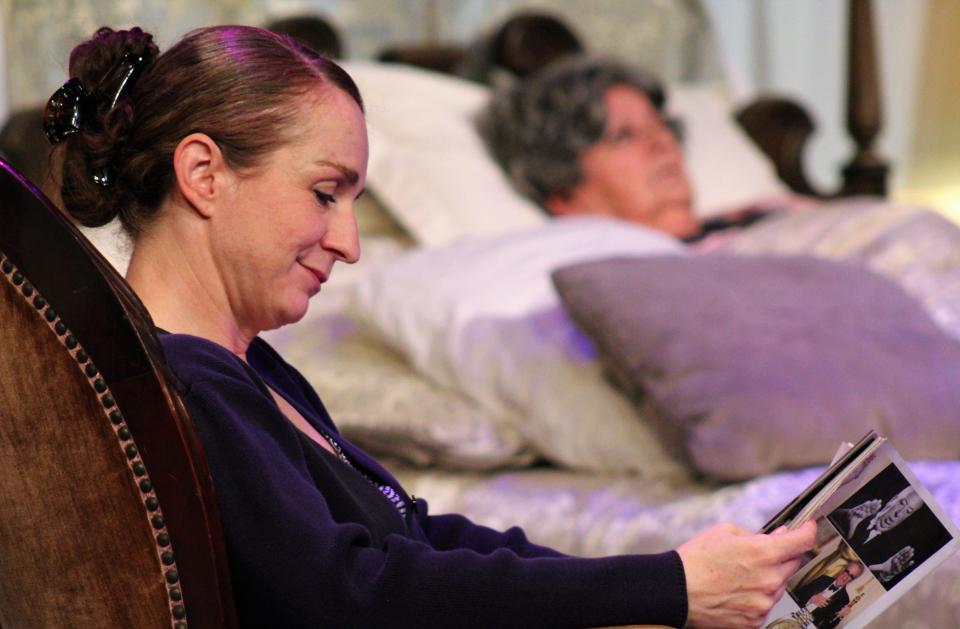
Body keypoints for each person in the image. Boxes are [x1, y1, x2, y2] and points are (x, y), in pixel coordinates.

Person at [46, 25, 815, 628]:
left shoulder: (253, 370)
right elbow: (349, 592)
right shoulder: (182, 384)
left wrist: (656, 586)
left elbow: (411, 537)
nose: (349, 243)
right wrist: (665, 587)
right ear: (203, 174)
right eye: (325, 193)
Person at [477, 54, 782, 243]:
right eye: (623, 136)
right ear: (564, 192)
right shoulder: (618, 287)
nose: (662, 143)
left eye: (661, 125)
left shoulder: (765, 212)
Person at [792, 560, 863, 627]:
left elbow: (826, 626)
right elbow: (798, 593)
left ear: (853, 580)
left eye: (851, 576)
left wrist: (839, 616)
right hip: (793, 610)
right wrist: (811, 598)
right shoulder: (823, 579)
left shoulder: (844, 600)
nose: (845, 577)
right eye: (847, 572)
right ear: (842, 570)